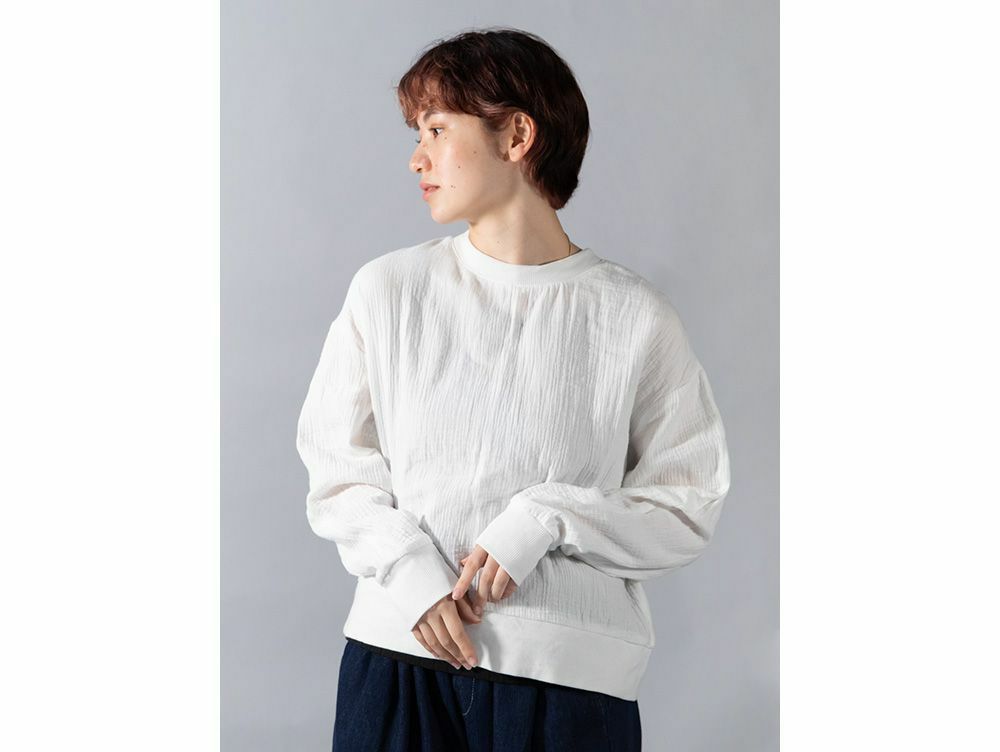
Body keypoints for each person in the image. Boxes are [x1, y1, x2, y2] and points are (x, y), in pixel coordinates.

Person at [295, 26, 731, 751]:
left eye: (438, 129)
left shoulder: (633, 317)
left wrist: (548, 518)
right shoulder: (389, 290)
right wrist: (409, 570)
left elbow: (688, 505)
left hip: (569, 686)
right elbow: (336, 470)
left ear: (517, 136)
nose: (416, 157)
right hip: (397, 661)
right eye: (416, 134)